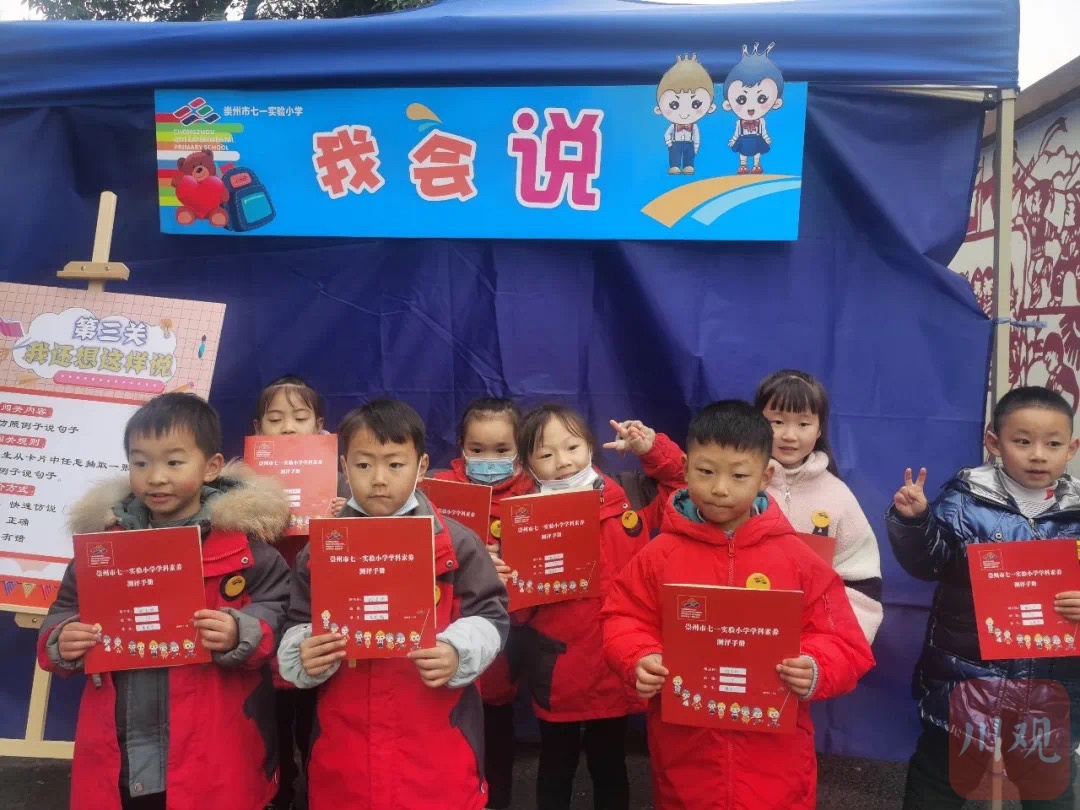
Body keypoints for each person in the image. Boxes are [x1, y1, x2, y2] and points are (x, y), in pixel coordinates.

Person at [601, 400, 875, 810]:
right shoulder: (659, 555)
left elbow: (844, 641)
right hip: (686, 757)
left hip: (776, 763)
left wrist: (815, 666)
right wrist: (639, 657)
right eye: (706, 472)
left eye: (739, 475)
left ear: (765, 476)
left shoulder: (797, 560)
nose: (720, 488)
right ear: (685, 469)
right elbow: (622, 617)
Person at [37, 392, 292, 810]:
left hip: (212, 752)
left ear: (211, 467)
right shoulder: (103, 546)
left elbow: (279, 610)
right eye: (140, 463)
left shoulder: (245, 548)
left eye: (174, 462)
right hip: (120, 752)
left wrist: (240, 631)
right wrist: (62, 639)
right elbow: (64, 609)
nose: (155, 477)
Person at [276, 398, 510, 810]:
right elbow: (297, 620)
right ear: (344, 467)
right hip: (346, 752)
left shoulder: (457, 543)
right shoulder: (320, 550)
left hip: (437, 750)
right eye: (364, 465)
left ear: (421, 466)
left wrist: (457, 650)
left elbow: (491, 614)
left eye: (395, 464)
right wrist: (302, 651)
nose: (379, 479)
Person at [888, 386, 1080, 809]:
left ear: (1072, 448)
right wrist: (915, 521)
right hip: (967, 682)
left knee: (1049, 789)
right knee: (938, 780)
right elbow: (928, 564)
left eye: (1053, 444)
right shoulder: (964, 501)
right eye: (1022, 441)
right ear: (994, 442)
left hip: (1051, 688)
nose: (1038, 455)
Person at [515, 404, 686, 810]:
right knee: (555, 763)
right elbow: (517, 613)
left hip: (615, 662)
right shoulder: (521, 517)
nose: (563, 461)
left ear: (590, 446)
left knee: (610, 762)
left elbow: (683, 488)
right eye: (546, 454)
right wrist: (510, 576)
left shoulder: (629, 496)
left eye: (572, 447)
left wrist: (652, 450)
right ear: (526, 463)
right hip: (558, 667)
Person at [430, 397, 533, 810]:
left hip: (506, 642)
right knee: (450, 741)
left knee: (497, 735)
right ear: (461, 447)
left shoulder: (536, 494)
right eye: (477, 449)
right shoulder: (436, 490)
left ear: (520, 450)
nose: (488, 460)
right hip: (444, 643)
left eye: (501, 450)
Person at [251, 374, 346, 810]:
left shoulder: (344, 485)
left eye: (300, 417)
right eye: (275, 419)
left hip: (317, 626)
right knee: (268, 727)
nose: (288, 427)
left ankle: (316, 792)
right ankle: (279, 792)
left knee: (315, 725)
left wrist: (345, 517)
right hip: (266, 624)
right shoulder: (240, 487)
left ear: (319, 426)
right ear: (258, 430)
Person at [754, 369, 883, 643]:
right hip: (741, 636)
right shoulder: (737, 486)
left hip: (811, 646)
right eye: (777, 421)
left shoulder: (838, 497)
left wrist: (829, 647)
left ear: (820, 429)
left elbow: (862, 583)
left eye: (803, 424)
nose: (789, 435)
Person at [654, 53, 717, 176]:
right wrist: (669, 143)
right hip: (675, 143)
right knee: (674, 156)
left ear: (710, 107)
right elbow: (667, 134)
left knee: (689, 157)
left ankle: (689, 166)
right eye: (674, 105)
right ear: (659, 108)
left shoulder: (694, 127)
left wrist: (696, 147)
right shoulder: (673, 126)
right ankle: (674, 166)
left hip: (689, 143)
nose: (684, 114)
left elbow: (697, 136)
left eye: (695, 104)